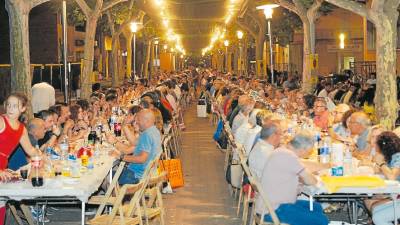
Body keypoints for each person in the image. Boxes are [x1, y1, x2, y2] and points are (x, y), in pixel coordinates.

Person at [258, 131, 328, 225]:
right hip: (275, 209)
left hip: (271, 204)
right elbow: (311, 181)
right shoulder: (289, 156)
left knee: (317, 207)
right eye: (308, 152)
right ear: (303, 149)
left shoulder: (281, 150)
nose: (306, 154)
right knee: (322, 221)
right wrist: (313, 178)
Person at [0, 93, 41, 224]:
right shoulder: (1, 121)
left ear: (23, 108)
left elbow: (30, 150)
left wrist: (42, 155)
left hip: (3, 167)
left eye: (15, 106)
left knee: (1, 206)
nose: (10, 109)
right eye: (8, 105)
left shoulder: (21, 129)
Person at [111, 109, 162, 184]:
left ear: (146, 121)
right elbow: (135, 142)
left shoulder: (147, 135)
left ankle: (116, 194)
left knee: (106, 178)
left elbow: (142, 159)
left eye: (139, 120)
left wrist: (121, 156)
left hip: (135, 176)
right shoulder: (154, 131)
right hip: (145, 174)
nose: (136, 122)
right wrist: (124, 125)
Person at [370, 132, 400, 225]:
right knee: (375, 210)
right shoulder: (392, 156)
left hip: (397, 196)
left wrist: (381, 163)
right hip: (396, 195)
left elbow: (392, 177)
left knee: (378, 217)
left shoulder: (398, 156)